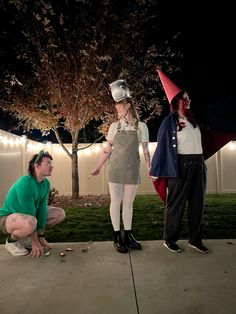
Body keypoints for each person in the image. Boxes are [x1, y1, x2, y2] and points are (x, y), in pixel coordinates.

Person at [150, 69, 208, 254]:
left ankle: (195, 239)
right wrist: (155, 169)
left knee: (197, 204)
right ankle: (170, 239)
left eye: (189, 98)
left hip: (198, 166)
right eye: (185, 98)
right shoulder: (169, 122)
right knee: (176, 204)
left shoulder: (194, 121)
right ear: (177, 101)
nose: (188, 101)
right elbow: (162, 146)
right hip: (180, 167)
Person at [91, 79, 150, 253]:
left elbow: (146, 152)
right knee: (116, 201)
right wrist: (98, 166)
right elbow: (107, 151)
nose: (117, 112)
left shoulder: (142, 127)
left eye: (120, 108)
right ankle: (117, 236)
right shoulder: (114, 127)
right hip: (115, 169)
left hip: (133, 169)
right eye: (116, 109)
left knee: (129, 204)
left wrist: (150, 168)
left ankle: (128, 236)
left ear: (128, 105)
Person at [0, 150, 65, 257]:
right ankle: (11, 241)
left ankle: (27, 239)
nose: (51, 166)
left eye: (51, 163)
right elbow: (29, 213)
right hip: (6, 218)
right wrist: (35, 242)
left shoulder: (45, 183)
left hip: (27, 217)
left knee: (59, 214)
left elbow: (42, 209)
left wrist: (41, 237)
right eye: (48, 163)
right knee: (31, 222)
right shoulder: (25, 183)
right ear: (37, 165)